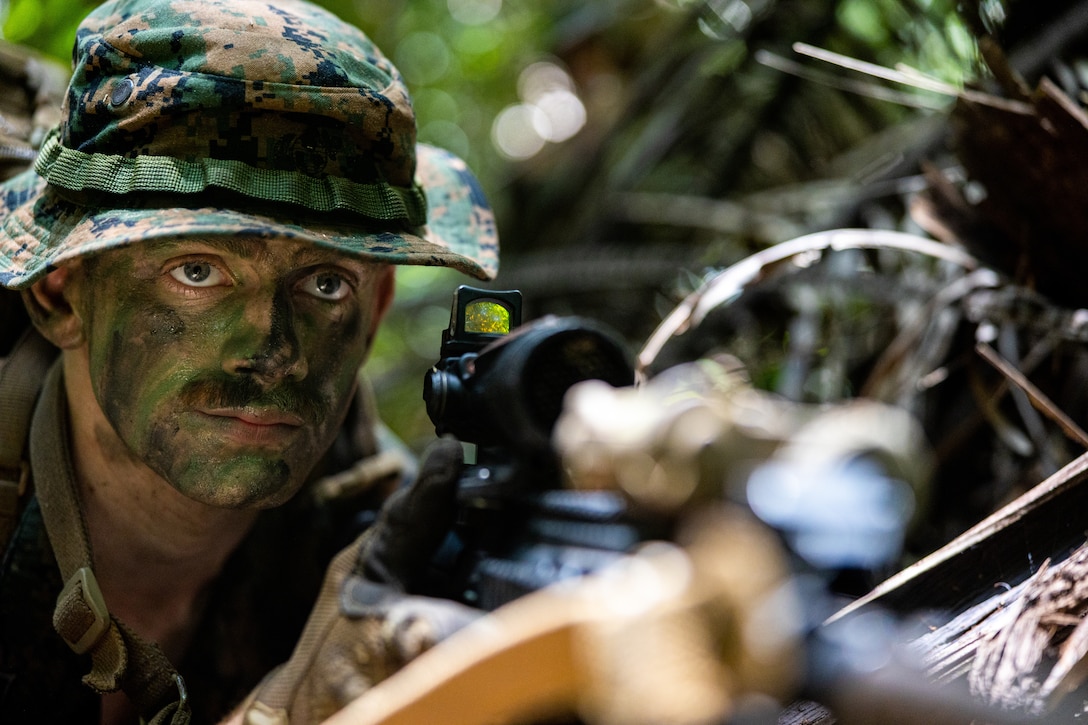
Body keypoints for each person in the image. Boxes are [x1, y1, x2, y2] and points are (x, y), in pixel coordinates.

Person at [0, 0, 498, 722]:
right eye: (197, 272)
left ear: (376, 309)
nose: (271, 352)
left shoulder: (376, 540)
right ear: (60, 290)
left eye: (325, 284)